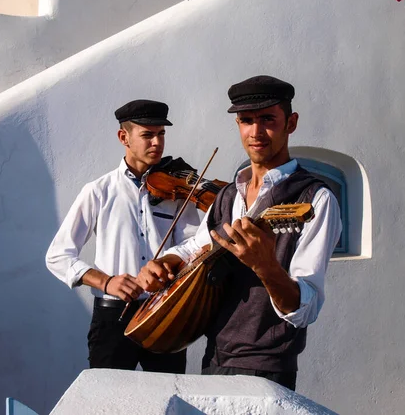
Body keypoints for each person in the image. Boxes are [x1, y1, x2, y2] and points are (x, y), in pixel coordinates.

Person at [136, 76, 342, 390]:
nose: (256, 132)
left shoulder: (315, 198)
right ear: (238, 125)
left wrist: (267, 266)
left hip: (267, 369)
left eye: (267, 119)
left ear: (291, 123)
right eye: (246, 120)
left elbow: (306, 309)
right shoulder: (229, 195)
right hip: (215, 356)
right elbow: (199, 245)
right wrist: (168, 261)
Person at [46, 99, 201, 373]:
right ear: (124, 137)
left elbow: (192, 245)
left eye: (161, 134)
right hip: (112, 316)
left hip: (164, 311)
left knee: (169, 396)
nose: (157, 142)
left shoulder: (178, 190)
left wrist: (171, 267)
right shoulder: (98, 191)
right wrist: (107, 282)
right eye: (147, 135)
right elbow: (58, 256)